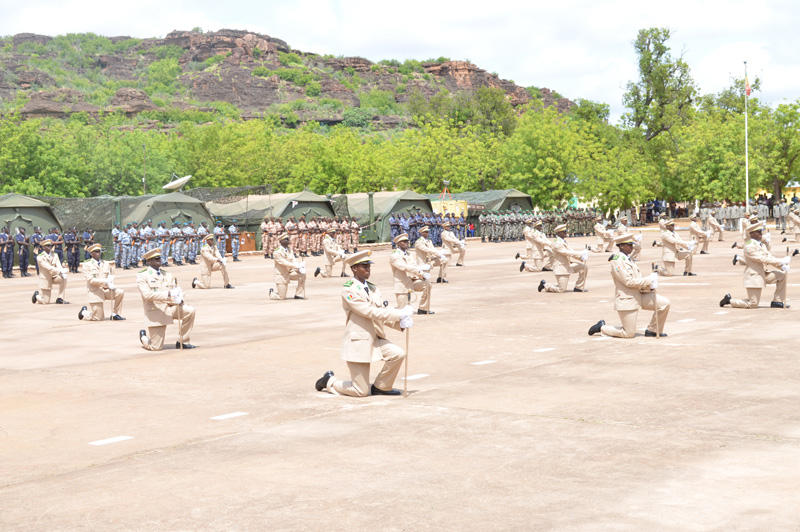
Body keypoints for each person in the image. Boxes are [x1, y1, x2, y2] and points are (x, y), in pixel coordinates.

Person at [315, 250, 414, 397]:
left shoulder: (373, 288)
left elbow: (381, 312)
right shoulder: (349, 289)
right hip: (359, 342)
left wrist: (400, 323)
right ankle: (329, 381)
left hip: (375, 339)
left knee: (398, 354)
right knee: (361, 391)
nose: (368, 269)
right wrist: (398, 313)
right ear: (354, 268)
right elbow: (370, 312)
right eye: (364, 266)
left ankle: (382, 386)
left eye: (369, 266)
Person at [588, 233, 669, 338]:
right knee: (628, 333)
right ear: (621, 246)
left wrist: (649, 286)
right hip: (627, 298)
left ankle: (652, 330)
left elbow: (638, 249)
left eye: (631, 244)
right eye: (628, 245)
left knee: (664, 304)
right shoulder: (617, 260)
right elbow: (628, 282)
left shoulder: (627, 258)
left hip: (639, 295)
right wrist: (648, 280)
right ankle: (602, 327)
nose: (631, 247)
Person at [720, 220, 790, 309]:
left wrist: (782, 266)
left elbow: (769, 257)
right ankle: (729, 300)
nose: (761, 234)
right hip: (754, 276)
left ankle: (777, 301)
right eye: (759, 232)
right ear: (752, 234)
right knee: (753, 304)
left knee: (782, 276)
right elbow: (762, 258)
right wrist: (780, 261)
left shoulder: (762, 245)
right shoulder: (749, 246)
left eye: (761, 231)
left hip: (764, 273)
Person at [137, 248, 196, 351]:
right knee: (156, 347)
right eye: (156, 259)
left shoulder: (167, 275)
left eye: (159, 258)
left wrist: (179, 298)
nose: (159, 260)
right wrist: (168, 294)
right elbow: (147, 296)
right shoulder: (142, 276)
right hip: (156, 312)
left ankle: (182, 341)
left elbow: (176, 290)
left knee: (190, 311)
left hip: (170, 309)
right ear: (149, 261)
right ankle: (143, 338)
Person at [78, 244, 125, 321]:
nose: (98, 253)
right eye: (96, 251)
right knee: (98, 318)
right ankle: (84, 313)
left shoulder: (106, 263)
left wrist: (110, 283)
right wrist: (104, 281)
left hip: (105, 290)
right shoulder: (87, 265)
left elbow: (111, 275)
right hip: (95, 292)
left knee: (120, 292)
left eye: (99, 251)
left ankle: (115, 314)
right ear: (91, 253)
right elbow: (91, 280)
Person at [390, 233, 433, 314]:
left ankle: (423, 308)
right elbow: (404, 267)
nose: (406, 243)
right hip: (403, 284)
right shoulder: (394, 255)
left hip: (412, 281)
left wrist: (421, 275)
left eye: (407, 241)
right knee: (403, 312)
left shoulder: (409, 254)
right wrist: (419, 269)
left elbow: (413, 265)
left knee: (427, 284)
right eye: (403, 242)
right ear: (398, 244)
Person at [538, 224, 588, 293]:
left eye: (565, 231)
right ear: (558, 233)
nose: (566, 233)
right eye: (564, 231)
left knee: (584, 267)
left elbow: (571, 251)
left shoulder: (563, 241)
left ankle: (578, 287)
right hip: (561, 268)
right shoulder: (556, 243)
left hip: (567, 265)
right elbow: (565, 252)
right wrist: (580, 253)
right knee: (561, 289)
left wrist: (581, 257)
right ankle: (545, 285)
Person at [269, 233, 306, 300]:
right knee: (282, 297)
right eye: (286, 239)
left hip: (290, 272)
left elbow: (293, 259)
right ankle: (272, 293)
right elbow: (284, 262)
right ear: (281, 241)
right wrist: (296, 265)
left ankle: (298, 294)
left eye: (288, 239)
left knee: (302, 275)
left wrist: (299, 265)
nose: (288, 240)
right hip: (282, 275)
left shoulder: (289, 250)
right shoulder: (277, 252)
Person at [32, 239, 68, 304]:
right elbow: (48, 267)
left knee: (64, 278)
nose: (50, 247)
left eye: (50, 245)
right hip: (46, 279)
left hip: (54, 277)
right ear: (43, 247)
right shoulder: (40, 257)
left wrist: (62, 270)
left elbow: (58, 265)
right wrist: (59, 270)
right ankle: (36, 296)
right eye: (47, 245)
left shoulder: (55, 255)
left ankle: (60, 298)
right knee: (45, 301)